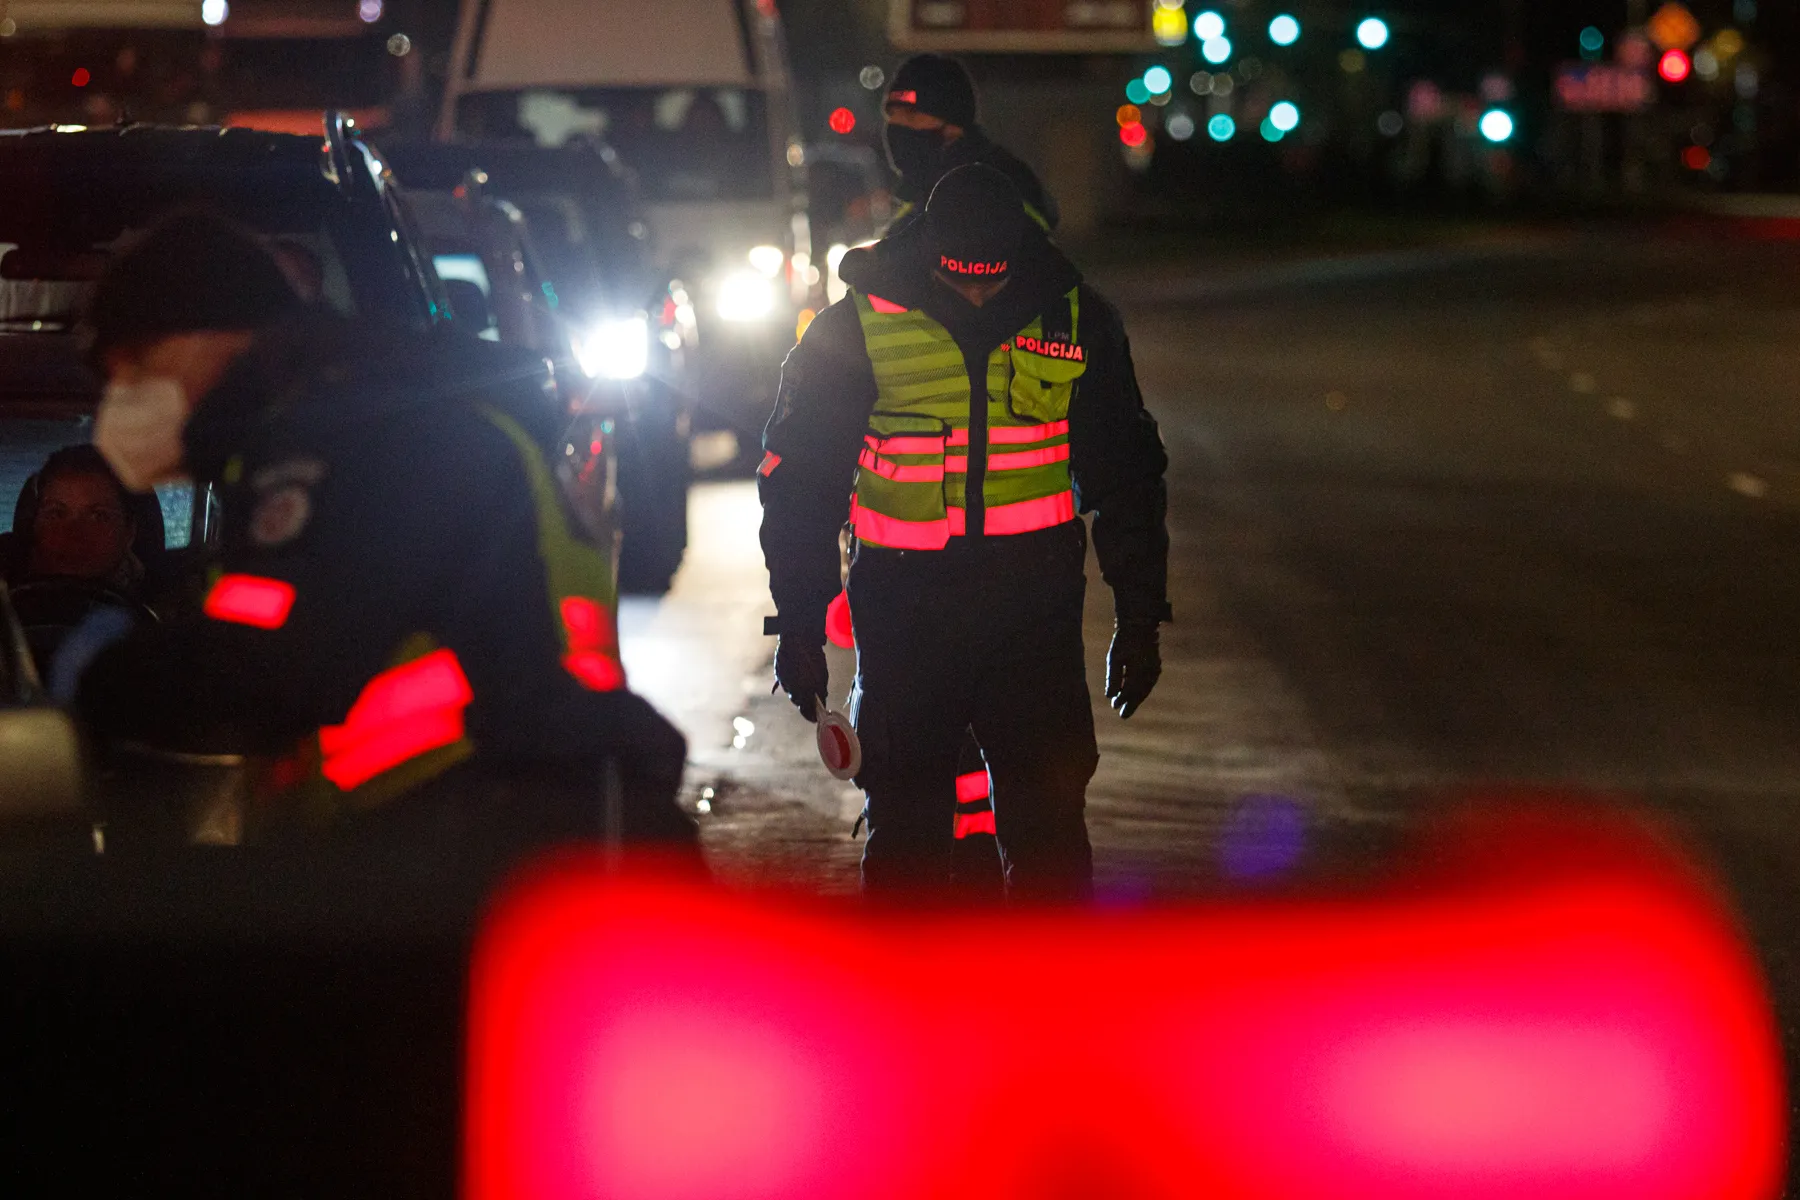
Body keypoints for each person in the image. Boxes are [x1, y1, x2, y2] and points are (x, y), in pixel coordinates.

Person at [69, 211, 695, 863]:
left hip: (491, 825)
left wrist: (100, 682)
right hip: (518, 806)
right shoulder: (372, 416)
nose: (125, 394)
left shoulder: (345, 439)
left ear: (210, 334)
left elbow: (287, 663)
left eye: (136, 364)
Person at [760, 166, 1170, 900]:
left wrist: (1141, 615)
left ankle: (1047, 1008)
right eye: (962, 282)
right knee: (908, 832)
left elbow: (1126, 474)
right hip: (906, 614)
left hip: (1032, 616)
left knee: (1048, 832)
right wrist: (796, 626)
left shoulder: (1073, 316)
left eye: (994, 282)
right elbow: (801, 486)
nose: (980, 298)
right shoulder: (857, 325)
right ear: (931, 256)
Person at [882, 53, 1060, 237]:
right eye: (891, 116)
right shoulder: (925, 190)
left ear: (953, 126)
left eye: (911, 115)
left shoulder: (990, 187)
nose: (896, 126)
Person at [2, 445, 147, 593]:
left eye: (99, 516)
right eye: (56, 514)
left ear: (129, 533)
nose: (73, 534)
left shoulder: (163, 602)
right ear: (34, 523)